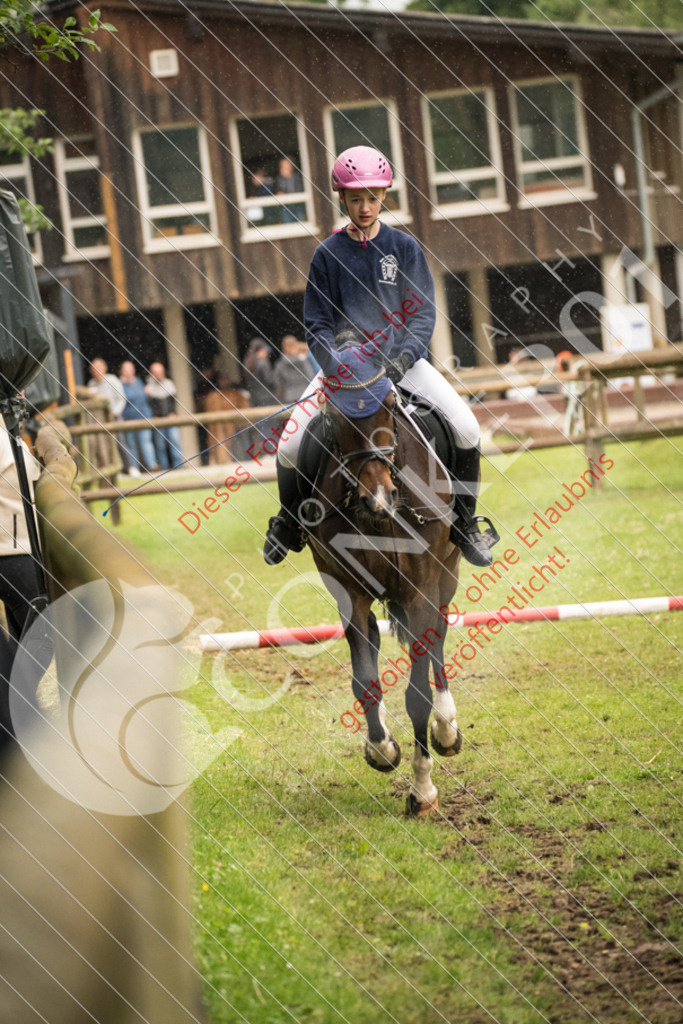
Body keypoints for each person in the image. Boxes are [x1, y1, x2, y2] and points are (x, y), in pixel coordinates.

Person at [263, 144, 494, 568]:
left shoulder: (403, 248)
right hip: (344, 373)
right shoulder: (326, 255)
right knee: (289, 444)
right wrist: (334, 364)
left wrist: (402, 359)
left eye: (372, 197)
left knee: (466, 427)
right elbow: (316, 324)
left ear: (384, 195)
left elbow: (423, 313)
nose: (364, 206)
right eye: (355, 199)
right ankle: (288, 522)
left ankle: (464, 522)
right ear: (342, 200)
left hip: (402, 367)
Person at [0, 423, 42, 748]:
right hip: (12, 549)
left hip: (18, 545)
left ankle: (19, 716)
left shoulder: (8, 424)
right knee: (43, 635)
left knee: (30, 637)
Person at [87, 357, 128, 471]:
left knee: (120, 442)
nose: (97, 371)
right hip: (99, 420)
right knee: (102, 446)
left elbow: (121, 399)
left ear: (104, 368)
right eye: (94, 369)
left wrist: (114, 413)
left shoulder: (113, 380)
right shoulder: (91, 384)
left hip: (113, 417)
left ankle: (129, 467)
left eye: (99, 368)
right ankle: (111, 470)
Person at [119, 361, 158, 477]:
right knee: (131, 445)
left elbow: (143, 397)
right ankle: (134, 468)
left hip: (143, 417)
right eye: (126, 370)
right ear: (122, 371)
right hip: (128, 419)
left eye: (130, 369)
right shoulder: (120, 385)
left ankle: (152, 466)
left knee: (146, 442)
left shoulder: (139, 382)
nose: (129, 372)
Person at [145, 362, 184, 470]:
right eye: (156, 373)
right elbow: (150, 405)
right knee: (160, 445)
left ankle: (179, 466)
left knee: (175, 441)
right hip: (158, 420)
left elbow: (173, 401)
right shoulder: (149, 388)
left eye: (160, 372)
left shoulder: (169, 384)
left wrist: (173, 412)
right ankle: (164, 467)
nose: (158, 375)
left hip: (169, 418)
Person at [243, 338, 276, 446]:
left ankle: (264, 450)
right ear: (261, 350)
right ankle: (271, 450)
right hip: (266, 398)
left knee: (261, 425)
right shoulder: (263, 363)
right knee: (270, 424)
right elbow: (270, 380)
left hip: (254, 399)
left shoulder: (248, 362)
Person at [273, 334, 316, 404]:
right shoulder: (303, 360)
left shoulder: (279, 365)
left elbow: (278, 384)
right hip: (306, 395)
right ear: (296, 345)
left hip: (289, 398)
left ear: (283, 348)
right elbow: (311, 376)